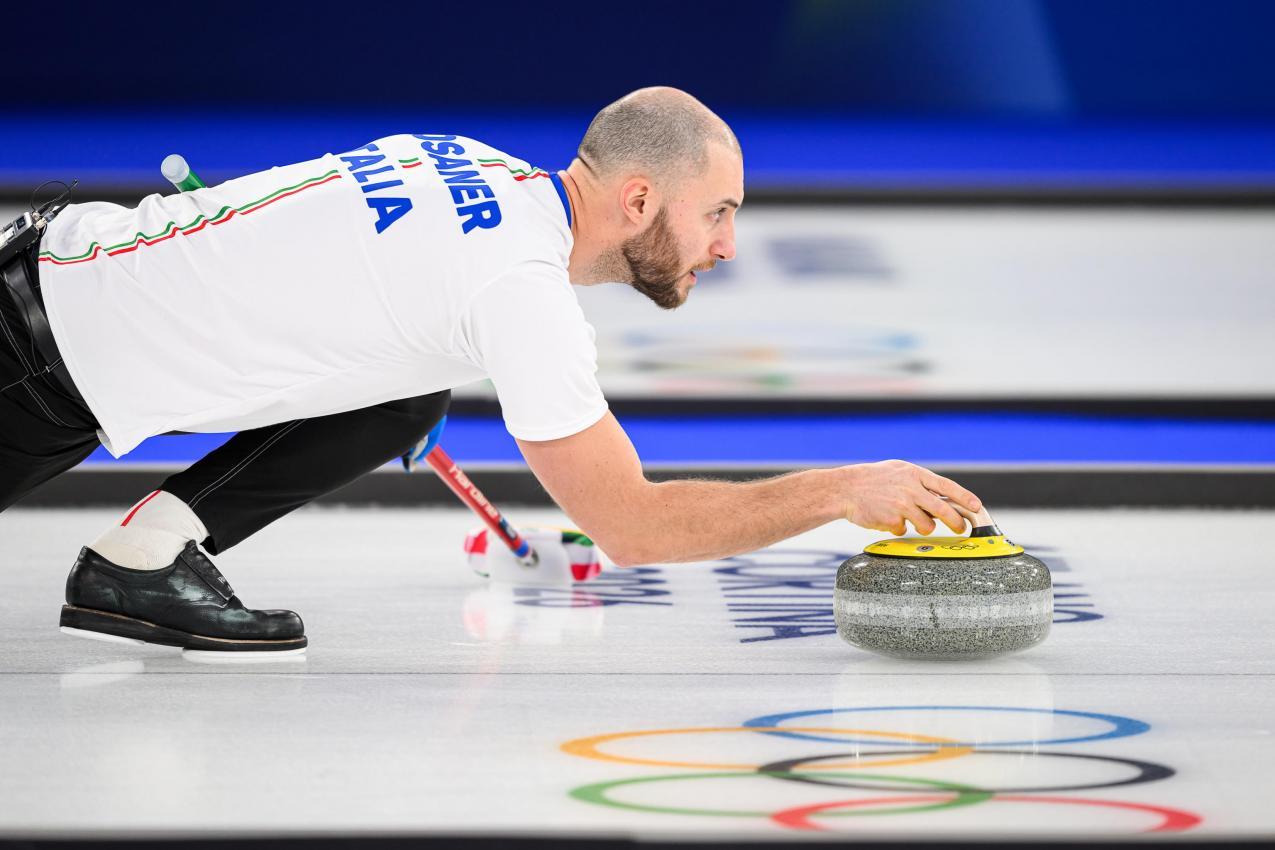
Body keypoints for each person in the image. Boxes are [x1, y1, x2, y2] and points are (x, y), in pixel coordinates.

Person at [0, 87, 982, 656]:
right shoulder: (523, 293)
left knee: (405, 393)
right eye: (717, 211)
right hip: (29, 366)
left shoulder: (476, 164)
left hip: (52, 284)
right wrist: (843, 488)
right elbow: (630, 525)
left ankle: (139, 561)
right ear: (640, 197)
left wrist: (372, 382)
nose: (728, 243)